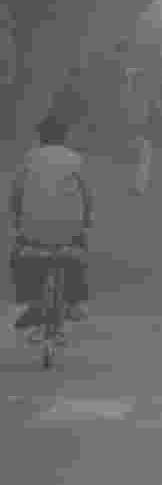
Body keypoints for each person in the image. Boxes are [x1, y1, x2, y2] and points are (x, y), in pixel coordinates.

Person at [8, 115, 93, 335]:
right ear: (65, 137)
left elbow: (16, 195)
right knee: (78, 251)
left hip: (33, 228)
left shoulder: (28, 158)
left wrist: (16, 221)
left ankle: (28, 301)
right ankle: (75, 301)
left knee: (19, 256)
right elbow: (87, 195)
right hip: (70, 228)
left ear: (39, 137)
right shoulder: (76, 159)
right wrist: (87, 221)